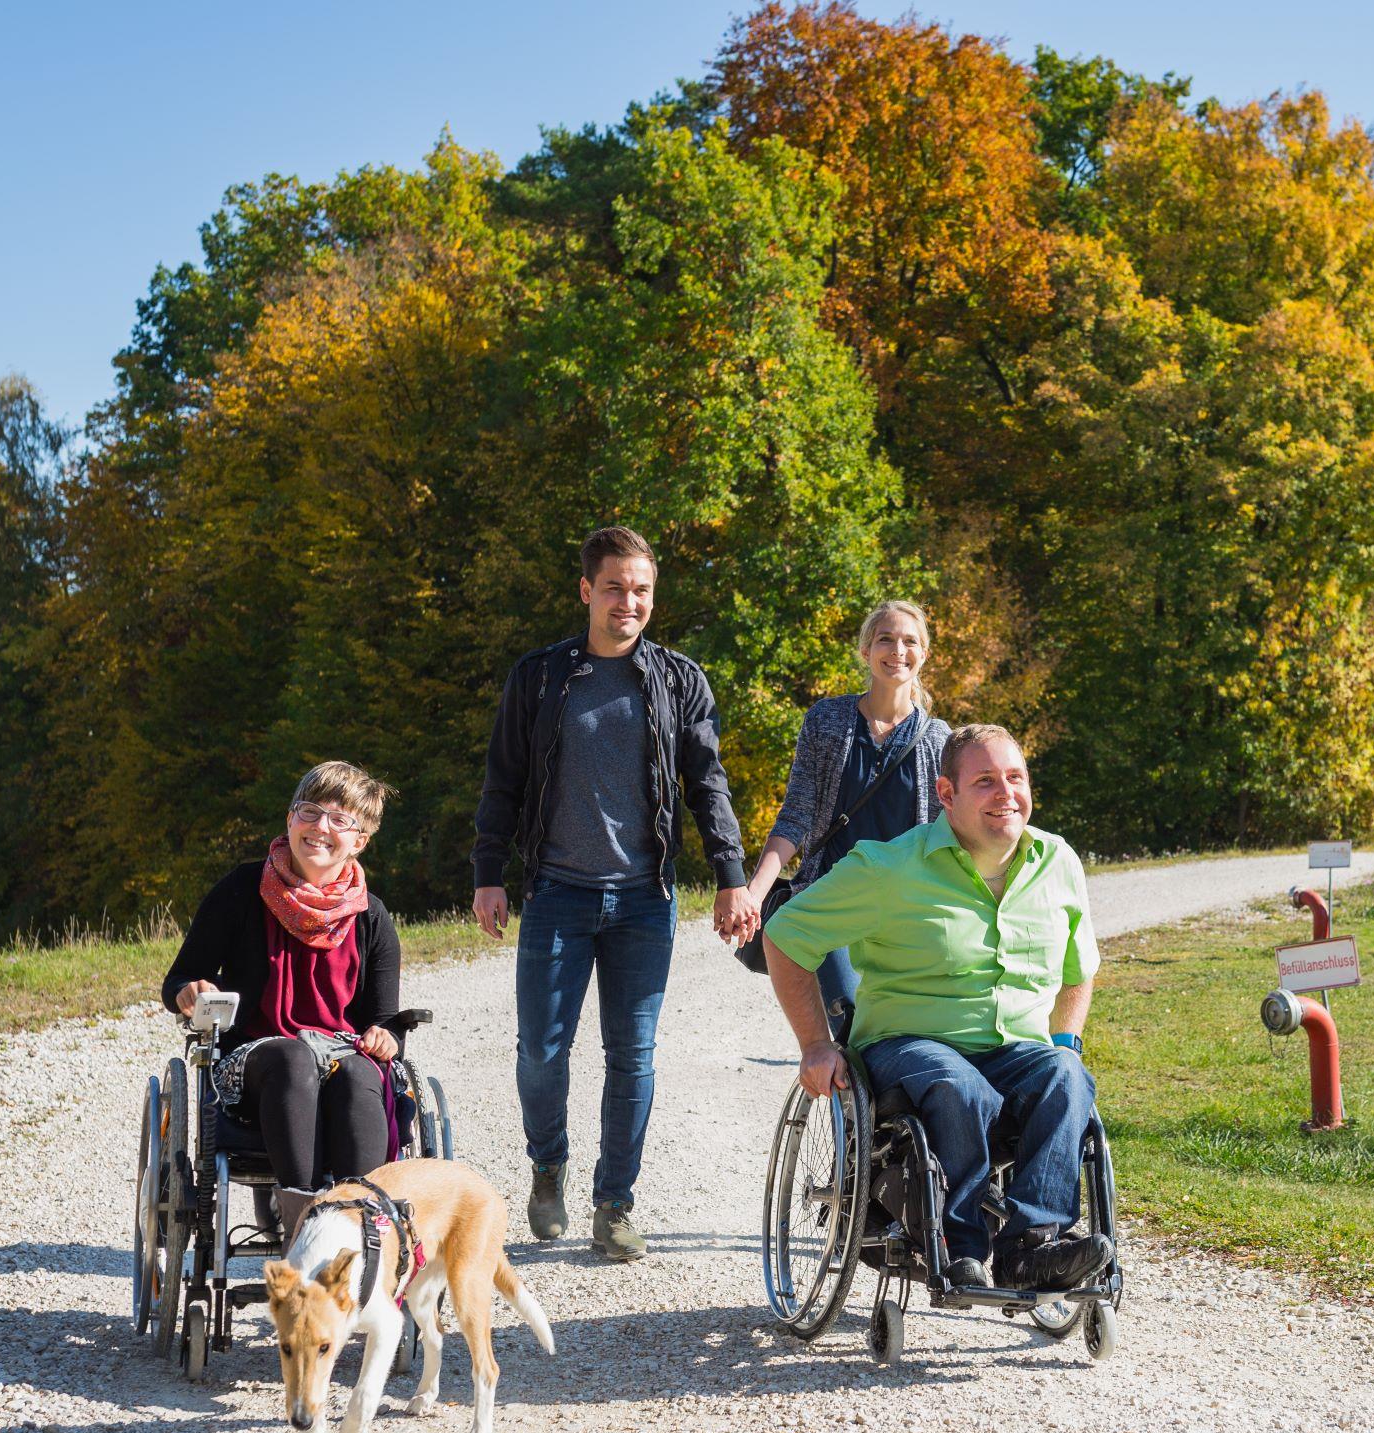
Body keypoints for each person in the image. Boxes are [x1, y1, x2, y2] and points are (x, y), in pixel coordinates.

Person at [472, 525, 758, 1260]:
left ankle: (614, 1204)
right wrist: (487, 873)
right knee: (541, 1048)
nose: (627, 602)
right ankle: (547, 1166)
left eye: (640, 590)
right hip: (557, 892)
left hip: (642, 899)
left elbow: (707, 783)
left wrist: (731, 876)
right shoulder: (538, 678)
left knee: (633, 1055)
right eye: (613, 588)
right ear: (586, 591)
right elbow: (502, 780)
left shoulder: (678, 680)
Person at [761, 723, 1113, 1292]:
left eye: (1016, 778)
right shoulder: (890, 868)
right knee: (956, 1082)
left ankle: (1031, 1248)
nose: (1007, 794)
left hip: (1013, 1050)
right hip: (910, 1046)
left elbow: (1079, 970)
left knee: (1068, 1076)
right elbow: (785, 936)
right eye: (985, 782)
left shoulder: (1058, 862)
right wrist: (816, 1042)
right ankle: (960, 1247)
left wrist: (1065, 1041)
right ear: (945, 794)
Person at [161, 762, 404, 1241]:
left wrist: (385, 1036)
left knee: (359, 1072)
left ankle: (365, 1232)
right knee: (291, 1057)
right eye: (310, 812)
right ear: (290, 820)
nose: (321, 828)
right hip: (253, 1061)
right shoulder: (240, 891)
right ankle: (304, 1231)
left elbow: (386, 1021)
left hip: (339, 1055)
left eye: (341, 820)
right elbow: (180, 980)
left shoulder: (371, 918)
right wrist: (189, 992)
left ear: (360, 841)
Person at [743, 600, 951, 1030]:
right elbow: (795, 816)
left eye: (910, 641)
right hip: (831, 901)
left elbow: (946, 834)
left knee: (902, 1031)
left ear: (924, 655)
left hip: (904, 910)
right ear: (865, 651)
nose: (898, 650)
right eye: (886, 639)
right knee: (849, 1024)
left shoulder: (937, 739)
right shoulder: (827, 720)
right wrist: (753, 893)